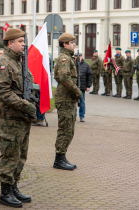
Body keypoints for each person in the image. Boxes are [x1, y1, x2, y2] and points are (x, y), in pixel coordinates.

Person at [0, 28, 35, 207]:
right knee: (10, 154)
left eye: (23, 41)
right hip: (11, 118)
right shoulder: (4, 63)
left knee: (21, 155)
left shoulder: (19, 62)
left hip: (22, 117)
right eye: (20, 41)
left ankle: (14, 187)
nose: (23, 44)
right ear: (10, 43)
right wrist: (25, 105)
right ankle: (5, 193)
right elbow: (2, 91)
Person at [53, 33, 82, 171]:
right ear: (64, 44)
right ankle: (59, 159)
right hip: (65, 99)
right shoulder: (65, 58)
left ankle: (62, 156)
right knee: (65, 130)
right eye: (71, 42)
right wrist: (77, 91)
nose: (74, 44)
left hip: (67, 98)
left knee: (68, 130)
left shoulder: (68, 58)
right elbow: (64, 78)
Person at [75, 52, 93, 122]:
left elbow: (90, 75)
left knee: (82, 102)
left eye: (79, 56)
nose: (77, 58)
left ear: (82, 57)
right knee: (74, 102)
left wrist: (88, 86)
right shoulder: (73, 65)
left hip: (82, 87)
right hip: (74, 87)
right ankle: (74, 116)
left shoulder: (86, 65)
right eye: (76, 56)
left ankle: (81, 116)